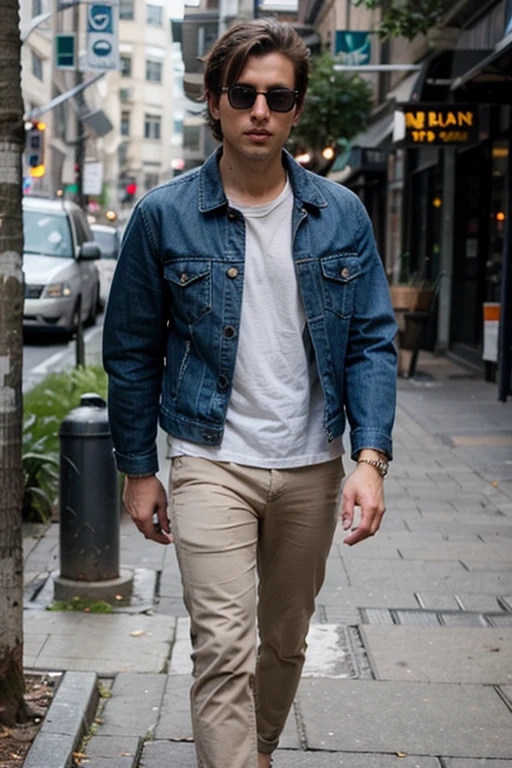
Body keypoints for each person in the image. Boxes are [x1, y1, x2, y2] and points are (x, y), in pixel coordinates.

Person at [103, 18, 397, 768]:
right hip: (211, 459)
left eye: (278, 96)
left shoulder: (341, 214)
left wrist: (370, 459)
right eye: (243, 94)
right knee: (223, 647)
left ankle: (255, 749)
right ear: (214, 101)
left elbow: (370, 340)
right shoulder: (163, 214)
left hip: (311, 464)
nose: (260, 110)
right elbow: (131, 351)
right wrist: (140, 470)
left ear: (296, 108)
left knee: (284, 640)